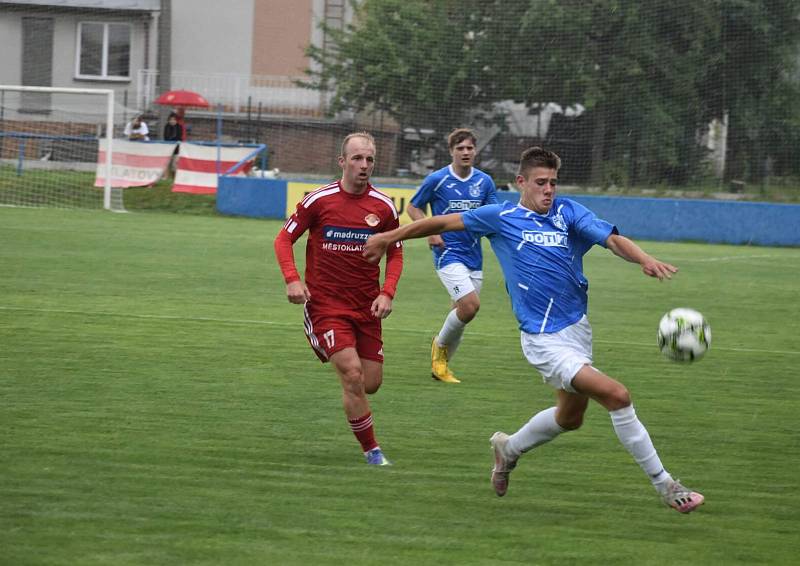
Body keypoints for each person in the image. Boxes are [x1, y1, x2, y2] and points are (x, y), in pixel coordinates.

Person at [363, 146, 705, 512]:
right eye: (541, 183)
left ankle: (508, 449)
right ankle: (666, 484)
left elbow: (611, 239)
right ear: (520, 182)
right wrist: (388, 237)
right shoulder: (501, 216)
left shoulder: (568, 212)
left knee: (569, 418)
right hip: (543, 339)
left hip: (577, 330)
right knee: (617, 396)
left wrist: (644, 259)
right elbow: (441, 222)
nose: (548, 190)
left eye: (553, 183)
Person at [273, 132, 403, 466]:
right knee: (353, 375)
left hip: (366, 307)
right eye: (357, 158)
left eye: (370, 159)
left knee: (371, 383)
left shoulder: (384, 207)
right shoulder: (319, 201)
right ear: (342, 162)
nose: (364, 165)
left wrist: (387, 292)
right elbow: (283, 240)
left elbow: (396, 254)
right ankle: (373, 452)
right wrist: (292, 279)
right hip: (326, 306)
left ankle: (354, 396)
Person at [406, 128, 497, 384]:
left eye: (469, 148)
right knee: (470, 306)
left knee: (461, 313)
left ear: (475, 151)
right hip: (447, 253)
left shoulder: (485, 182)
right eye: (460, 148)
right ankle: (439, 349)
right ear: (451, 152)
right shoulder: (437, 179)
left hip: (474, 256)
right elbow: (413, 207)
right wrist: (430, 231)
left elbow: (493, 213)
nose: (466, 152)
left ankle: (441, 367)